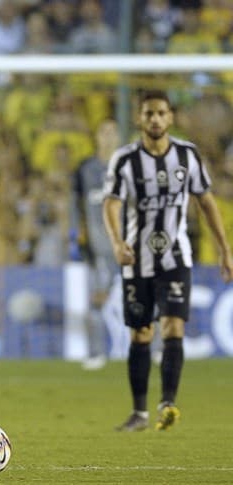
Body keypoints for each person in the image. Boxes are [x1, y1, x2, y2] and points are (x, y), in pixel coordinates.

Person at [103, 89, 233, 432]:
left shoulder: (188, 156)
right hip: (136, 258)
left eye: (161, 113)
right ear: (139, 118)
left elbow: (206, 202)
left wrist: (225, 249)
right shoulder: (125, 160)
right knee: (141, 333)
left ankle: (168, 404)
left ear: (170, 117)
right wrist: (117, 243)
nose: (155, 119)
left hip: (177, 257)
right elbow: (111, 204)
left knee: (174, 326)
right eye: (149, 114)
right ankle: (139, 413)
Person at [72, 118, 129, 369]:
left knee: (148, 298)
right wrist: (76, 237)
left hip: (130, 245)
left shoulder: (129, 167)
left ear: (118, 137)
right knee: (97, 300)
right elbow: (76, 206)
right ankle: (96, 353)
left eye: (112, 132)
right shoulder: (86, 168)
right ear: (96, 136)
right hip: (99, 248)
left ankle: (156, 351)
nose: (108, 137)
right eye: (103, 132)